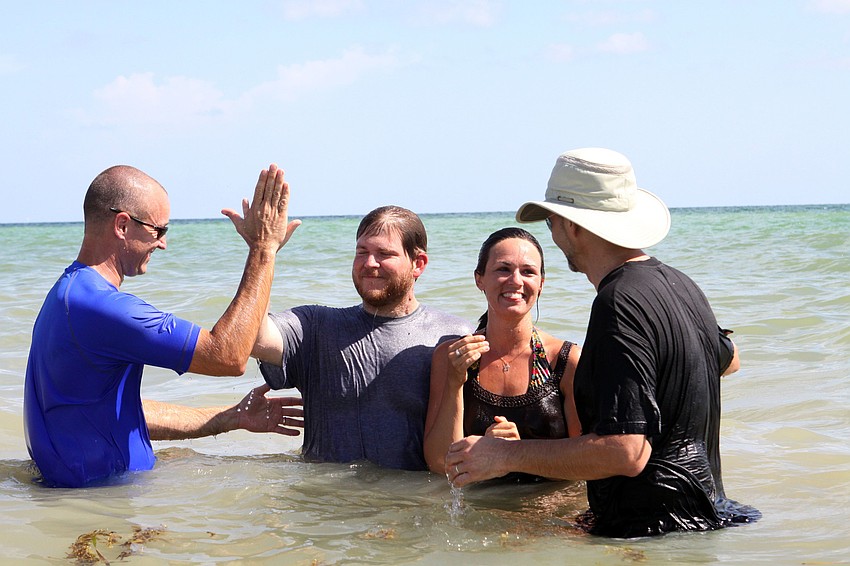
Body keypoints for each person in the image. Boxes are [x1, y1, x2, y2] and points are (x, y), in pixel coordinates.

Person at [445, 148, 758, 537]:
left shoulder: (618, 302)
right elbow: (729, 360)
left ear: (572, 225)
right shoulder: (680, 284)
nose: (554, 235)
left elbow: (625, 452)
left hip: (652, 531)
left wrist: (505, 455)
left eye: (552, 222)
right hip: (708, 515)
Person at [24, 164, 303, 488]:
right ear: (123, 225)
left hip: (97, 498)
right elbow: (227, 356)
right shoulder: (100, 309)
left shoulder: (68, 294)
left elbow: (114, 411)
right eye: (159, 231)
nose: (163, 244)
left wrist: (233, 417)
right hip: (103, 514)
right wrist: (264, 250)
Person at [252, 205, 472, 470]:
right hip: (325, 505)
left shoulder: (454, 337)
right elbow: (251, 338)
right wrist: (263, 252)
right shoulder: (316, 328)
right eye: (362, 252)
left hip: (411, 505)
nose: (369, 263)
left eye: (384, 254)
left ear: (419, 264)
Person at [423, 227, 581, 479]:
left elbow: (585, 464)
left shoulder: (564, 360)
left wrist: (514, 453)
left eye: (528, 271)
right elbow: (439, 463)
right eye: (503, 269)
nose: (516, 281)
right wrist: (454, 382)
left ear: (541, 284)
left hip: (546, 509)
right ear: (479, 280)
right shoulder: (453, 358)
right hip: (480, 508)